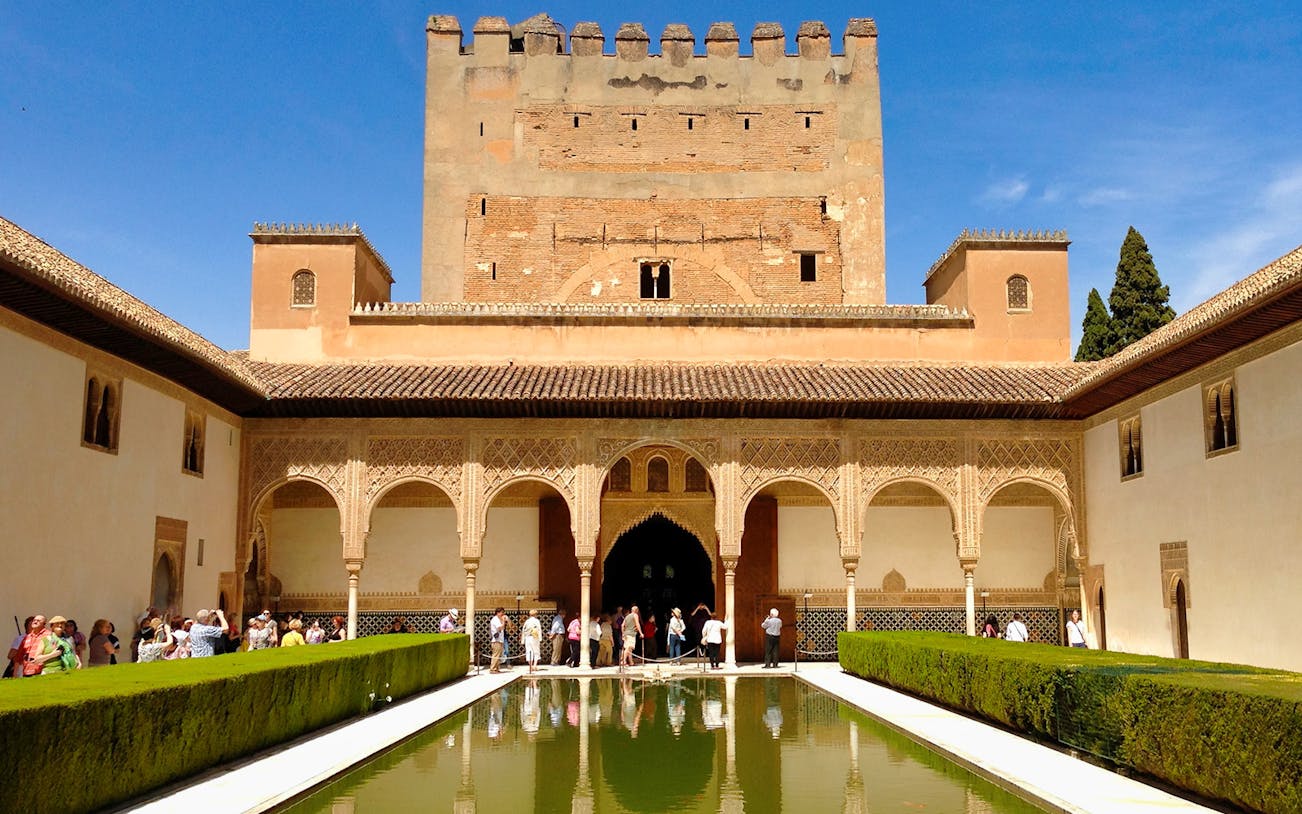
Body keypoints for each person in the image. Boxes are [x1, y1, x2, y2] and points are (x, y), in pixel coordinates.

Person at [521, 609, 543, 673]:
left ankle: (530, 666)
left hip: (527, 637)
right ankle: (535, 665)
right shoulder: (536, 621)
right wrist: (540, 638)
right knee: (536, 651)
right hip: (534, 637)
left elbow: (523, 631)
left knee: (529, 651)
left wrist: (523, 639)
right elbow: (539, 629)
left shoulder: (527, 621)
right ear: (535, 614)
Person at [489, 607, 506, 673]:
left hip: (500, 640)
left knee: (499, 655)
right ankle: (493, 669)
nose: (502, 614)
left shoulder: (498, 619)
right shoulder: (495, 619)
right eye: (502, 612)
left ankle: (497, 668)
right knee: (496, 655)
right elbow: (499, 628)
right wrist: (504, 622)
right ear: (498, 613)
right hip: (496, 641)